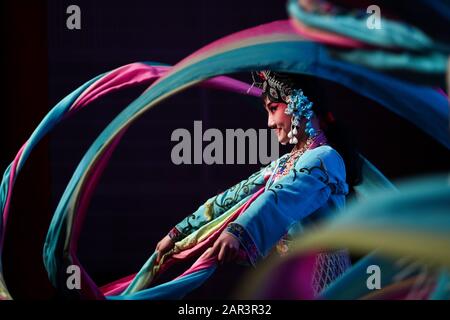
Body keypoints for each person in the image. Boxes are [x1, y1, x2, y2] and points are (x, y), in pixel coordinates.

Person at [155, 71, 360, 297]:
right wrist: (178, 234)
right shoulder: (286, 163)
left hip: (325, 279)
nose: (269, 123)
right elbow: (232, 196)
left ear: (298, 103)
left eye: (273, 109)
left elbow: (279, 198)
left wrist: (239, 231)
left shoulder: (325, 158)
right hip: (293, 278)